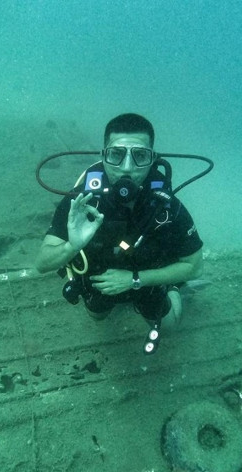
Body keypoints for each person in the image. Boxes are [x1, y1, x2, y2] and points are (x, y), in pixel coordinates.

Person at [35, 113, 203, 350]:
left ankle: (173, 289)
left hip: (146, 278)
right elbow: (42, 263)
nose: (127, 168)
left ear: (152, 158)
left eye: (140, 156)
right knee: (97, 317)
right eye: (116, 154)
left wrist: (135, 280)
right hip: (100, 277)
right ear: (104, 155)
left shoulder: (165, 205)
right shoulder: (82, 201)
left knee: (169, 327)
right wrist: (71, 245)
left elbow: (195, 266)